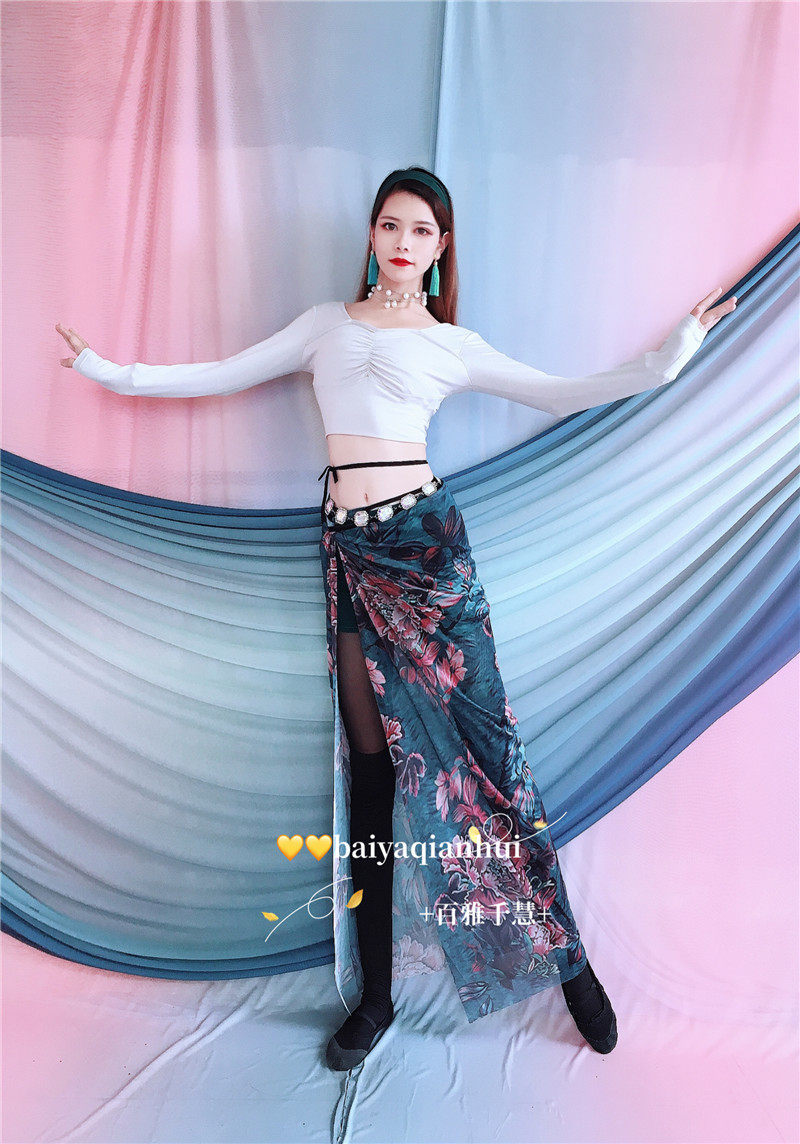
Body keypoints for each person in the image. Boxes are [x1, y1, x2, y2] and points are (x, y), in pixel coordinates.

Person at [57, 166, 737, 1071]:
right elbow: (221, 374)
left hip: (429, 555)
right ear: (373, 236)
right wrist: (107, 370)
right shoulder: (323, 327)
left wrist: (674, 352)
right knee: (372, 773)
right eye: (390, 225)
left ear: (440, 247)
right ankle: (374, 999)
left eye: (421, 230)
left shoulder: (453, 345)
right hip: (350, 557)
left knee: (495, 764)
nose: (404, 242)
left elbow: (566, 390)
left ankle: (571, 969)